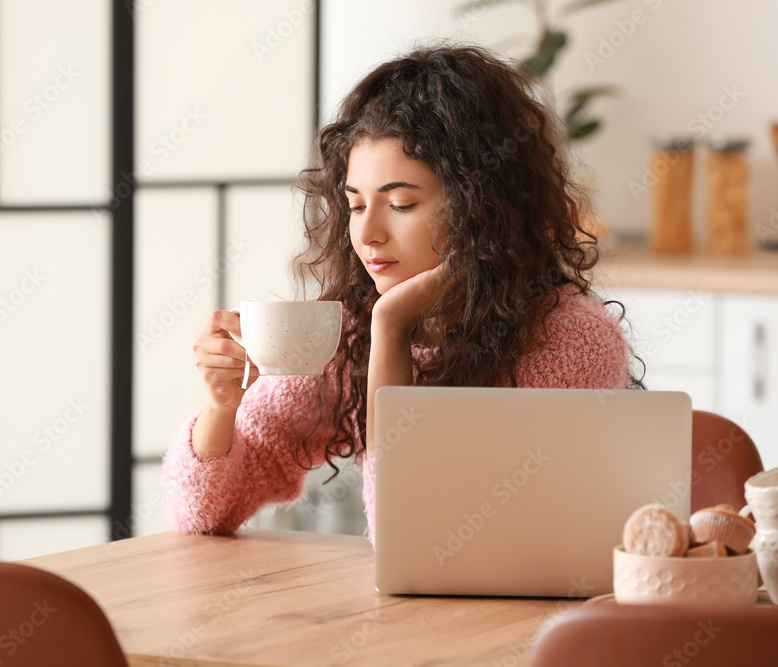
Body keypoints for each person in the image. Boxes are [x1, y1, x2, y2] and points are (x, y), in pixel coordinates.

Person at [161, 43, 642, 546]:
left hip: (533, 619)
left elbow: (417, 537)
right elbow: (200, 512)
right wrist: (222, 407)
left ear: (481, 207)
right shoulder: (348, 330)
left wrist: (390, 332)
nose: (367, 234)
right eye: (355, 205)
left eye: (401, 203)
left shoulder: (569, 337)